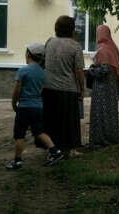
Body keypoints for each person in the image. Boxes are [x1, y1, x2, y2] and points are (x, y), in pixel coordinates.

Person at [6, 44, 63, 170]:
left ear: (28, 54)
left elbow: (16, 90)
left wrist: (14, 104)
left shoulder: (23, 71)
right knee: (39, 132)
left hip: (24, 107)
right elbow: (41, 90)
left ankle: (17, 161)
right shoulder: (43, 73)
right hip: (38, 107)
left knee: (19, 134)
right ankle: (55, 151)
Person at [42, 15, 85, 156]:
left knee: (52, 120)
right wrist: (82, 89)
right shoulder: (75, 46)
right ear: (72, 29)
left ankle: (52, 149)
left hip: (48, 88)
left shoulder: (49, 42)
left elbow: (43, 62)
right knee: (69, 122)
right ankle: (70, 150)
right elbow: (79, 71)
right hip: (68, 89)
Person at [89, 25, 119, 147]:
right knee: (110, 112)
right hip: (112, 87)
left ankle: (100, 140)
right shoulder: (113, 48)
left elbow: (103, 70)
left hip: (102, 88)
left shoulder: (103, 50)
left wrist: (91, 69)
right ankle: (111, 137)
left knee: (100, 113)